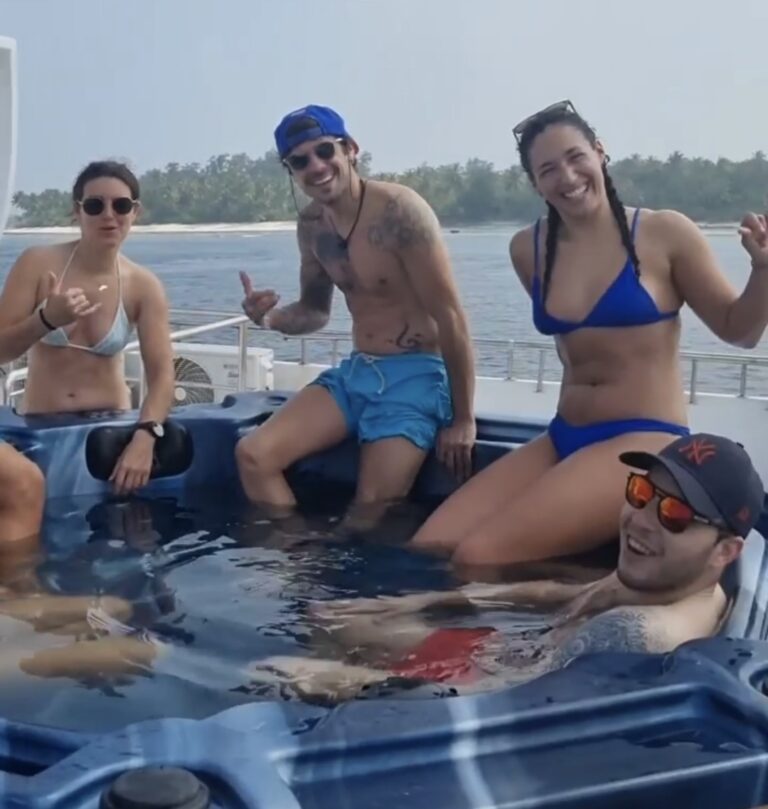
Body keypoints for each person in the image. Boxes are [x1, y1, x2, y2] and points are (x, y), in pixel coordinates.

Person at [12, 433, 763, 702]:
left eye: (671, 513)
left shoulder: (638, 632)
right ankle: (78, 621)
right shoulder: (661, 573)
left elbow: (517, 698)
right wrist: (431, 606)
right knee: (325, 621)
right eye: (640, 492)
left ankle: (71, 643)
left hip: (470, 680)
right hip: (482, 649)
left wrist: (366, 681)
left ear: (728, 549)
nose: (637, 519)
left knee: (224, 659)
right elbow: (564, 590)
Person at [411, 100, 768, 567]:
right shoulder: (528, 249)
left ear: (600, 152)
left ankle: (597, 601)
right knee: (428, 548)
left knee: (477, 557)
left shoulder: (665, 233)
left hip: (643, 439)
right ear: (535, 183)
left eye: (576, 157)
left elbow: (738, 330)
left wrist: (762, 270)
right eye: (548, 169)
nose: (567, 176)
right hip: (563, 435)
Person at [236, 105, 476, 525]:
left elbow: (451, 316)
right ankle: (298, 558)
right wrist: (270, 319)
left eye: (324, 151)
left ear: (350, 149)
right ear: (290, 169)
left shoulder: (401, 212)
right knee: (253, 455)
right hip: (356, 373)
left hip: (416, 376)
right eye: (300, 160)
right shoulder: (312, 225)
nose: (316, 166)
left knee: (366, 516)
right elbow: (314, 311)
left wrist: (463, 418)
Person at [0, 161, 175, 495]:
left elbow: (163, 375)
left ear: (135, 212)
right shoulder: (37, 264)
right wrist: (46, 320)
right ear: (76, 212)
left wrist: (146, 434)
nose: (109, 215)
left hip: (109, 431)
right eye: (95, 205)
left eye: (121, 205)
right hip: (43, 428)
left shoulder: (144, 286)